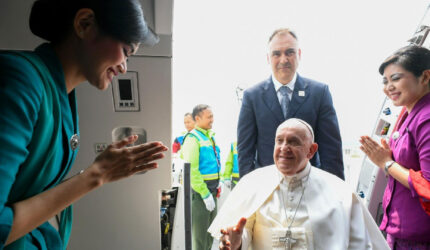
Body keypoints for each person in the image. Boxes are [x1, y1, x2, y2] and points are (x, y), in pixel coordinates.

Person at [0, 0, 168, 249]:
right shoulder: (21, 80)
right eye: (126, 50)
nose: (123, 67)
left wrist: (99, 172)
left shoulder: (62, 96)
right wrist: (96, 175)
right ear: (84, 24)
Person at [209, 118, 389, 250]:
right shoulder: (252, 183)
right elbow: (242, 232)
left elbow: (360, 244)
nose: (284, 148)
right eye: (279, 140)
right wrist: (237, 243)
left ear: (311, 150)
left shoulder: (340, 192)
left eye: (293, 142)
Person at [237, 28, 344, 180]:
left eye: (289, 52)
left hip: (309, 187)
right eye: (276, 54)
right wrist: (249, 191)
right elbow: (245, 152)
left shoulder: (319, 93)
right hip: (267, 188)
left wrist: (336, 193)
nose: (283, 60)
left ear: (299, 55)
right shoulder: (252, 97)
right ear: (268, 58)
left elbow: (331, 151)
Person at [359, 45, 430, 249]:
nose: (389, 87)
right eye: (385, 81)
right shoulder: (409, 113)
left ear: (425, 77)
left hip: (419, 239)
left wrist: (387, 163)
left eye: (396, 78)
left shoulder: (426, 118)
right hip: (401, 233)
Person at [181, 104, 222, 250]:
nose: (212, 119)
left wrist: (219, 182)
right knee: (200, 239)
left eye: (212, 116)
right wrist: (205, 194)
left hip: (212, 192)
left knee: (210, 235)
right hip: (200, 195)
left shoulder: (209, 136)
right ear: (197, 118)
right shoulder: (192, 138)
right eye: (209, 117)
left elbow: (214, 162)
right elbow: (192, 170)